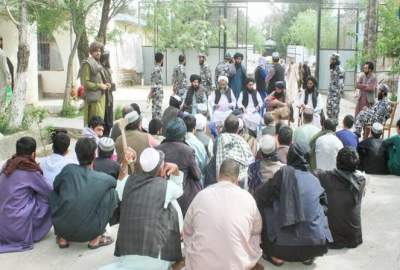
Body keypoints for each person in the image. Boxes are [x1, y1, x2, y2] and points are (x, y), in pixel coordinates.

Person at [104, 148, 184, 270]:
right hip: (157, 259)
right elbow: (179, 190)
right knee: (173, 205)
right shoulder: (167, 186)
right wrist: (177, 171)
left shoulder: (128, 182)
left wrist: (125, 163)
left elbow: (120, 181)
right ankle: (173, 257)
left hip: (126, 256)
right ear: (161, 169)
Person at [255, 143, 332, 266]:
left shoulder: (283, 174)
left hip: (281, 247)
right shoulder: (314, 178)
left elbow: (260, 195)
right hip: (317, 246)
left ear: (290, 157)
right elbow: (325, 207)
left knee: (264, 206)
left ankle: (276, 256)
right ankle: (307, 256)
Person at [183, 159, 263, 270]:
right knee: (254, 236)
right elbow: (257, 229)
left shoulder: (201, 195)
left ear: (218, 176)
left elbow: (186, 230)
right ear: (237, 179)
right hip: (238, 266)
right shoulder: (248, 198)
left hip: (200, 265)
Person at [50, 138, 122, 249]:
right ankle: (95, 240)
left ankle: (62, 239)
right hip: (89, 232)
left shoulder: (68, 170)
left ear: (77, 154)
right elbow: (114, 183)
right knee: (112, 194)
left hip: (61, 227)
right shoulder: (104, 179)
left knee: (54, 193)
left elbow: (55, 186)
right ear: (94, 155)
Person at [0, 137, 52, 253]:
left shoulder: (7, 165)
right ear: (33, 154)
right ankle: (36, 231)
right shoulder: (30, 170)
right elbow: (49, 191)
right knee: (47, 199)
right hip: (17, 227)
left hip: (2, 224)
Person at [315, 147, 366, 249]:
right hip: (354, 238)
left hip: (333, 239)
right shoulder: (362, 180)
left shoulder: (325, 177)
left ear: (337, 161)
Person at [156, 118, 202, 216]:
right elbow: (197, 175)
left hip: (160, 195)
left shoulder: (157, 149)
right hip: (182, 198)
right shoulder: (188, 150)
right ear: (183, 134)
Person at [215, 115, 254, 189]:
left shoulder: (220, 139)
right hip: (239, 180)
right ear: (237, 129)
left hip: (223, 179)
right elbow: (250, 160)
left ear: (225, 127)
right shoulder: (243, 142)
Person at [80, 41, 110, 126]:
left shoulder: (98, 64)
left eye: (100, 51)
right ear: (91, 52)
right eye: (96, 51)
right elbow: (85, 83)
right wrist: (99, 86)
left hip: (101, 98)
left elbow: (99, 79)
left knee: (100, 123)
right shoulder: (88, 64)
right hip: (93, 100)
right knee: (93, 124)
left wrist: (106, 84)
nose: (98, 53)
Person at [184, 115, 208, 186]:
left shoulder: (177, 141)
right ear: (194, 128)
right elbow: (203, 166)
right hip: (196, 183)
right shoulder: (199, 145)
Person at [100, 50, 116, 136]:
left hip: (109, 97)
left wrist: (111, 85)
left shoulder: (107, 69)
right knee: (106, 120)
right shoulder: (101, 69)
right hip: (104, 98)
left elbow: (111, 83)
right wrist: (108, 85)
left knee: (109, 120)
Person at [326, 53, 345, 120]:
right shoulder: (332, 69)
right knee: (328, 110)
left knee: (334, 112)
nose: (329, 61)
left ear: (334, 60)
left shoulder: (340, 70)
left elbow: (341, 84)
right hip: (330, 94)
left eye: (330, 59)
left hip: (335, 95)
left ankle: (333, 127)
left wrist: (338, 96)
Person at [149, 52, 164, 119]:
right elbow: (154, 84)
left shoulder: (155, 68)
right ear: (161, 60)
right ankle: (156, 125)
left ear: (155, 60)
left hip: (156, 93)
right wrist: (150, 93)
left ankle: (156, 125)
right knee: (157, 110)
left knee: (155, 110)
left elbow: (153, 83)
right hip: (158, 93)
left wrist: (150, 93)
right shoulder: (158, 69)